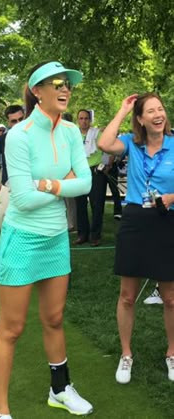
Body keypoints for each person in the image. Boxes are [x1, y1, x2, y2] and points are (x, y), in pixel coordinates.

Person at [0, 61, 93, 419]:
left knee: (54, 318)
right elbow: (23, 200)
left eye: (68, 84)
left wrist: (46, 183)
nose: (65, 89)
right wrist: (63, 184)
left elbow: (87, 184)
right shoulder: (18, 135)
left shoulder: (70, 132)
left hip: (56, 238)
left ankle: (60, 389)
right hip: (21, 239)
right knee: (12, 327)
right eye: (57, 84)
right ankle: (1, 411)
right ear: (37, 91)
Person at [99, 92, 174, 384]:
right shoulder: (131, 142)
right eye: (151, 111)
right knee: (127, 296)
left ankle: (172, 353)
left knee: (170, 298)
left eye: (161, 109)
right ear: (141, 119)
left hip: (167, 220)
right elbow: (104, 143)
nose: (158, 115)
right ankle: (126, 354)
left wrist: (171, 197)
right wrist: (122, 110)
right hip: (134, 220)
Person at [0, 105, 25, 227]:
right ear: (8, 123)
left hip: (30, 187)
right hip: (8, 188)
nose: (18, 123)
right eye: (14, 121)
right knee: (6, 227)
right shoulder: (3, 139)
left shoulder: (34, 137)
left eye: (21, 119)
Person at [73, 110, 105, 246]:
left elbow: (106, 149)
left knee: (97, 204)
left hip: (95, 171)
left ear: (90, 120)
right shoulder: (73, 135)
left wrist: (105, 165)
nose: (84, 121)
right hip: (79, 172)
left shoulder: (97, 133)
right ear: (77, 120)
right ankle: (82, 234)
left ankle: (95, 235)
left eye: (86, 118)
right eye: (81, 118)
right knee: (79, 205)